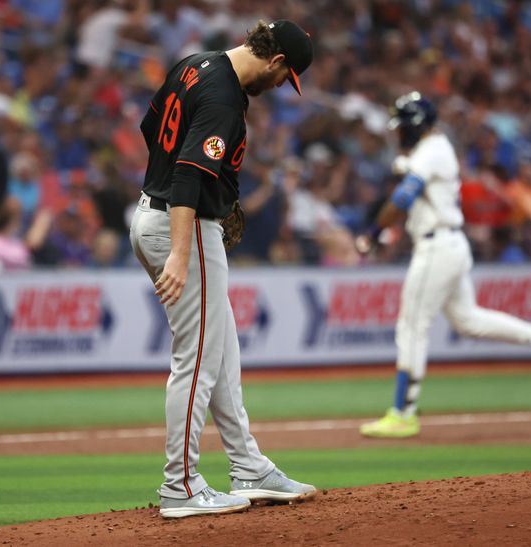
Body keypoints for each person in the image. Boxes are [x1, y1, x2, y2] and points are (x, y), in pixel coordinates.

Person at [129, 19, 317, 518]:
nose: (281, 85)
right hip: (182, 225)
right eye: (285, 76)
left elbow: (152, 128)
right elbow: (191, 173)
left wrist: (179, 197)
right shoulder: (225, 96)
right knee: (197, 361)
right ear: (276, 61)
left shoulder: (195, 63)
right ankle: (181, 486)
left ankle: (249, 466)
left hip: (154, 213)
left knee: (222, 350)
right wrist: (181, 248)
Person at [356, 92, 531, 439]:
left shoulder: (431, 150)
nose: (397, 133)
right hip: (448, 243)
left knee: (412, 325)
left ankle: (403, 412)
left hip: (437, 247)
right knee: (468, 320)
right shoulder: (430, 150)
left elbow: (403, 197)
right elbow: (409, 177)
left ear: (415, 126)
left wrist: (373, 233)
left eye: (401, 127)